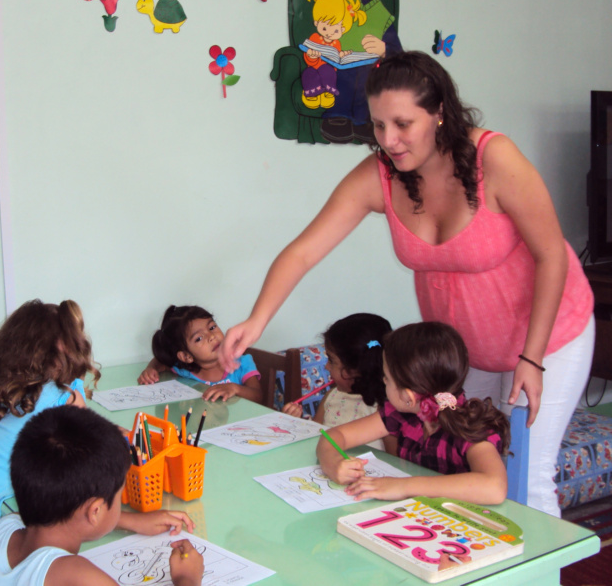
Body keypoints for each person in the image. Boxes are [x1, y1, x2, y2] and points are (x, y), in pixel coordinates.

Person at [219, 50, 595, 516]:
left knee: (526, 479)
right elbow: (303, 251)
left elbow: (551, 257)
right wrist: (257, 320)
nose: (389, 140)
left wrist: (533, 358)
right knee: (462, 476)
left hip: (548, 337)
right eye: (378, 126)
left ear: (439, 114)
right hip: (466, 350)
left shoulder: (493, 159)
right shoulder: (380, 176)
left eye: (402, 124)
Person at [0, 300, 194, 586]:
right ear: (66, 352)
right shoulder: (58, 400)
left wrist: (126, 519)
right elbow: (85, 436)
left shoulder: (15, 392)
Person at [0, 405, 203, 586]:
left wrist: (128, 520)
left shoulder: (6, 527)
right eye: (118, 497)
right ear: (94, 511)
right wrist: (187, 578)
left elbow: (52, 507)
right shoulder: (75, 575)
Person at [317, 322, 509, 504]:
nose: (383, 382)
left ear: (408, 396)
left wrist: (403, 486)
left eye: (387, 379)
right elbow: (335, 436)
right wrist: (332, 463)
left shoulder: (470, 428)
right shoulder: (402, 414)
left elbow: (495, 487)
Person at [320, 0, 402, 144]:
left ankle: (363, 122)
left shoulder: (382, 14)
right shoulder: (341, 1)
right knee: (339, 76)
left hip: (368, 67)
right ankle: (337, 117)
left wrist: (383, 48)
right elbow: (323, 22)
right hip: (339, 62)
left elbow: (398, 53)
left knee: (369, 81)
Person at [282, 313, 394, 452]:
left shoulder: (386, 411)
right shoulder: (332, 396)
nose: (326, 367)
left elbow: (397, 463)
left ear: (355, 369)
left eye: (331, 360)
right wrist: (296, 423)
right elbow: (316, 436)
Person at [138, 305, 262, 403]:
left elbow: (258, 396)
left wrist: (235, 388)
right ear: (186, 357)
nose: (211, 336)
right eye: (199, 338)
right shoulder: (185, 371)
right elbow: (161, 361)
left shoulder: (241, 362)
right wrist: (151, 369)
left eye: (212, 327)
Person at [300, 0, 365, 110]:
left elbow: (335, 58)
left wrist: (342, 55)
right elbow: (309, 59)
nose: (329, 33)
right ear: (316, 23)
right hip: (314, 68)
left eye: (335, 30)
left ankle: (327, 92)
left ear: (342, 30)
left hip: (327, 71)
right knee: (309, 73)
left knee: (328, 71)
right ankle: (311, 94)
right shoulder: (314, 37)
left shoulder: (337, 43)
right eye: (325, 28)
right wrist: (312, 56)